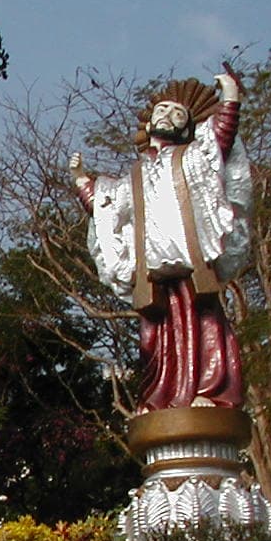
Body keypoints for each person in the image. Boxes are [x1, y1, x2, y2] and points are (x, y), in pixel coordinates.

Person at [70, 73, 251, 411]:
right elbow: (107, 207)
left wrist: (230, 97)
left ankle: (210, 391)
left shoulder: (192, 159)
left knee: (203, 322)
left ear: (187, 128)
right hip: (152, 269)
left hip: (190, 261)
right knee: (157, 335)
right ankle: (160, 398)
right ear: (149, 122)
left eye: (177, 113)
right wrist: (81, 180)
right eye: (162, 110)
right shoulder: (134, 176)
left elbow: (220, 144)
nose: (167, 115)